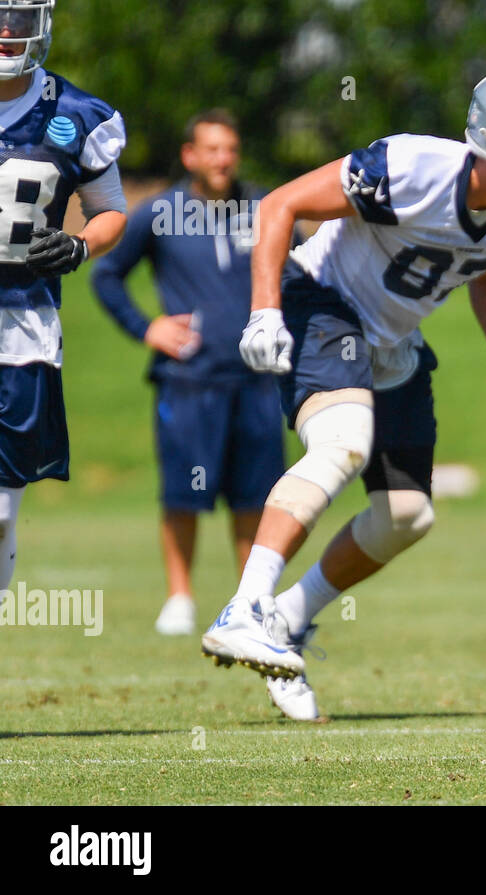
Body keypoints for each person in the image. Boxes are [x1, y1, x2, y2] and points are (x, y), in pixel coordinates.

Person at [199, 65, 486, 721]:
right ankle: (246, 604)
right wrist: (264, 310)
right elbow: (280, 205)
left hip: (392, 338)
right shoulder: (413, 167)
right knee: (343, 442)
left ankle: (287, 618)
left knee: (407, 514)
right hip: (323, 301)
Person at [92, 110, 279, 636]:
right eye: (212, 149)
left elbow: (310, 267)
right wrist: (147, 327)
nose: (223, 160)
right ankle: (180, 597)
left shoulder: (266, 208)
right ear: (189, 155)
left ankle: (250, 602)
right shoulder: (159, 213)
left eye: (231, 149)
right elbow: (106, 275)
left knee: (256, 498)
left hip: (256, 378)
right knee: (183, 493)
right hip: (189, 381)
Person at [0, 0, 127, 596]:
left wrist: (80, 247)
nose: (5, 34)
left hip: (22, 331)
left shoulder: (76, 115)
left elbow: (111, 213)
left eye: (16, 19)